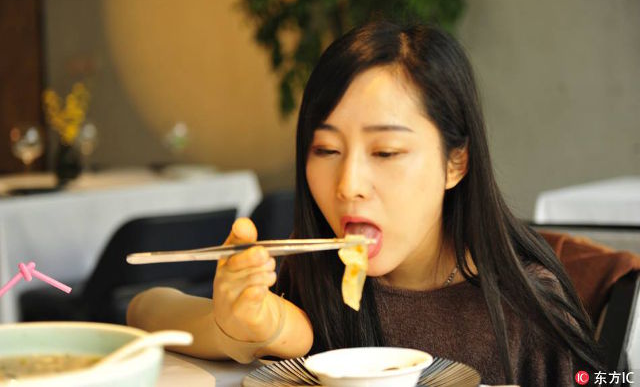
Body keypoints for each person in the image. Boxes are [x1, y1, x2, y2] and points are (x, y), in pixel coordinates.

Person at [127, 21, 601, 386]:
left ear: (456, 163)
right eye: (326, 150)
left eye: (386, 152)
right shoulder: (315, 275)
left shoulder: (522, 311)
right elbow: (145, 308)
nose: (348, 185)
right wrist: (236, 329)